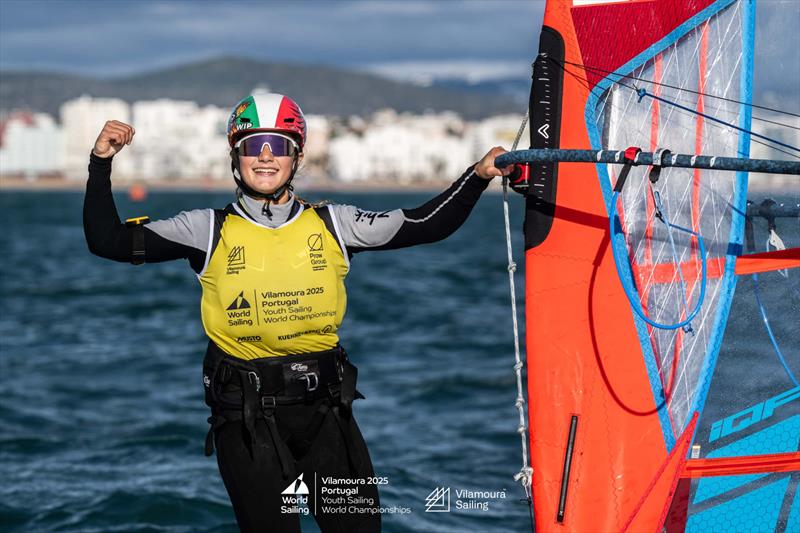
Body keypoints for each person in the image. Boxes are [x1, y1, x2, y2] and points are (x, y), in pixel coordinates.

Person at [83, 92, 511, 533]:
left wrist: (477, 176)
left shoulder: (334, 223)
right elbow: (108, 241)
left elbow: (424, 225)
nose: (265, 157)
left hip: (326, 413)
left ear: (297, 156)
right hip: (247, 420)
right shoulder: (206, 229)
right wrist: (101, 163)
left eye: (279, 146)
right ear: (235, 155)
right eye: (252, 145)